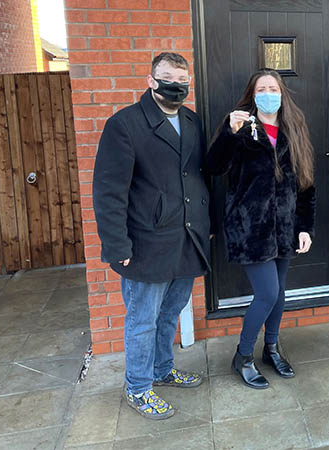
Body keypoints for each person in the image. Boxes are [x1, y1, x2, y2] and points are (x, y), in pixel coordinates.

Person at [93, 52, 210, 419]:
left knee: (170, 311)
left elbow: (197, 176)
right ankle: (139, 388)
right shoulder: (124, 125)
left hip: (187, 237)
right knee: (142, 320)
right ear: (150, 80)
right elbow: (109, 190)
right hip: (145, 242)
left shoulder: (192, 121)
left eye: (182, 79)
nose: (176, 85)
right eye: (167, 77)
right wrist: (116, 245)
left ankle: (162, 369)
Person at [206, 69, 315, 389]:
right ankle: (242, 356)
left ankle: (271, 348)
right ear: (252, 95)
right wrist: (230, 132)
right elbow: (213, 166)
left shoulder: (294, 127)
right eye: (262, 89)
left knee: (279, 293)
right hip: (249, 228)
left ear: (282, 93)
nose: (268, 93)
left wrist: (304, 227)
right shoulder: (239, 127)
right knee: (267, 293)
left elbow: (307, 184)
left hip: (284, 227)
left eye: (273, 88)